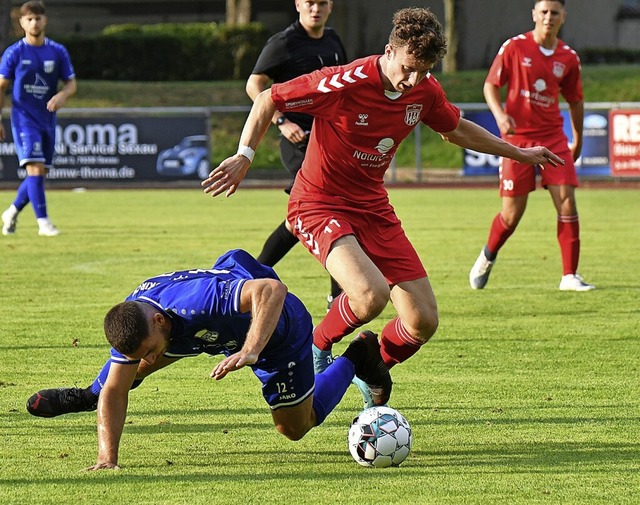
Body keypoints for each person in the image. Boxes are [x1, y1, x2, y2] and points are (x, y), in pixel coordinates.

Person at [201, 7, 564, 407]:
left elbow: (456, 128)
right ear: (389, 50)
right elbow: (268, 96)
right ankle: (319, 345)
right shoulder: (345, 81)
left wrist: (517, 152)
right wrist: (244, 155)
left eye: (424, 71)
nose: (414, 81)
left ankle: (364, 364)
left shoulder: (424, 89)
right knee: (369, 296)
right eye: (408, 68)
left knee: (422, 320)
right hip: (317, 202)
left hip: (372, 206)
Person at [25, 249, 391, 470]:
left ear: (160, 321)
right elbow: (118, 389)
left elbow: (272, 289)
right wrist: (108, 459)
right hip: (203, 334)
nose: (148, 356)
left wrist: (251, 349)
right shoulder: (134, 321)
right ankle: (89, 395)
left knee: (295, 427)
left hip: (277, 330)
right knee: (117, 381)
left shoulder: (203, 301)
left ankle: (358, 357)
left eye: (150, 347)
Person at [469, 0, 595, 292]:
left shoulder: (569, 57)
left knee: (566, 201)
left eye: (554, 13)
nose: (549, 17)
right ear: (534, 15)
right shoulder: (514, 47)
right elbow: (490, 84)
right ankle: (488, 255)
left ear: (563, 16)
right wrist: (500, 116)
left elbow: (575, 101)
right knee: (511, 215)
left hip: (553, 137)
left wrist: (578, 139)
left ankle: (569, 276)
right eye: (544, 12)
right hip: (517, 140)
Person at [248, 0, 347, 309]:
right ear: (298, 5)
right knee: (333, 212)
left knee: (301, 219)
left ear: (330, 6)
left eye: (321, 3)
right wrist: (281, 121)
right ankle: (337, 298)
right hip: (300, 141)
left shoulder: (333, 39)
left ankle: (249, 277)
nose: (315, 8)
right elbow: (255, 85)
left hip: (330, 141)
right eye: (309, 2)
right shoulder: (283, 42)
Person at [0, 1, 76, 237]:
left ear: (45, 20)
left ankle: (11, 211)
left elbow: (71, 83)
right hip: (24, 119)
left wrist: (62, 95)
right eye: (29, 19)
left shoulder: (57, 51)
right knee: (34, 168)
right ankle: (43, 223)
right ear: (22, 22)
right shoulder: (14, 53)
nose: (34, 22)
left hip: (47, 119)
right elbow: (1, 86)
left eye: (38, 18)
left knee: (40, 172)